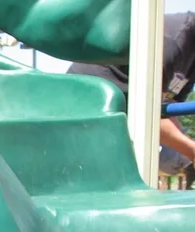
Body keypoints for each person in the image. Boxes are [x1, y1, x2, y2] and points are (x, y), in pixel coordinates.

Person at [68, 11, 195, 175]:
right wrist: (191, 149)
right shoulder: (171, 42)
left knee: (174, 160)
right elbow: (148, 114)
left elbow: (169, 106)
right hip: (90, 99)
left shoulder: (190, 59)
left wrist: (187, 151)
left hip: (131, 105)